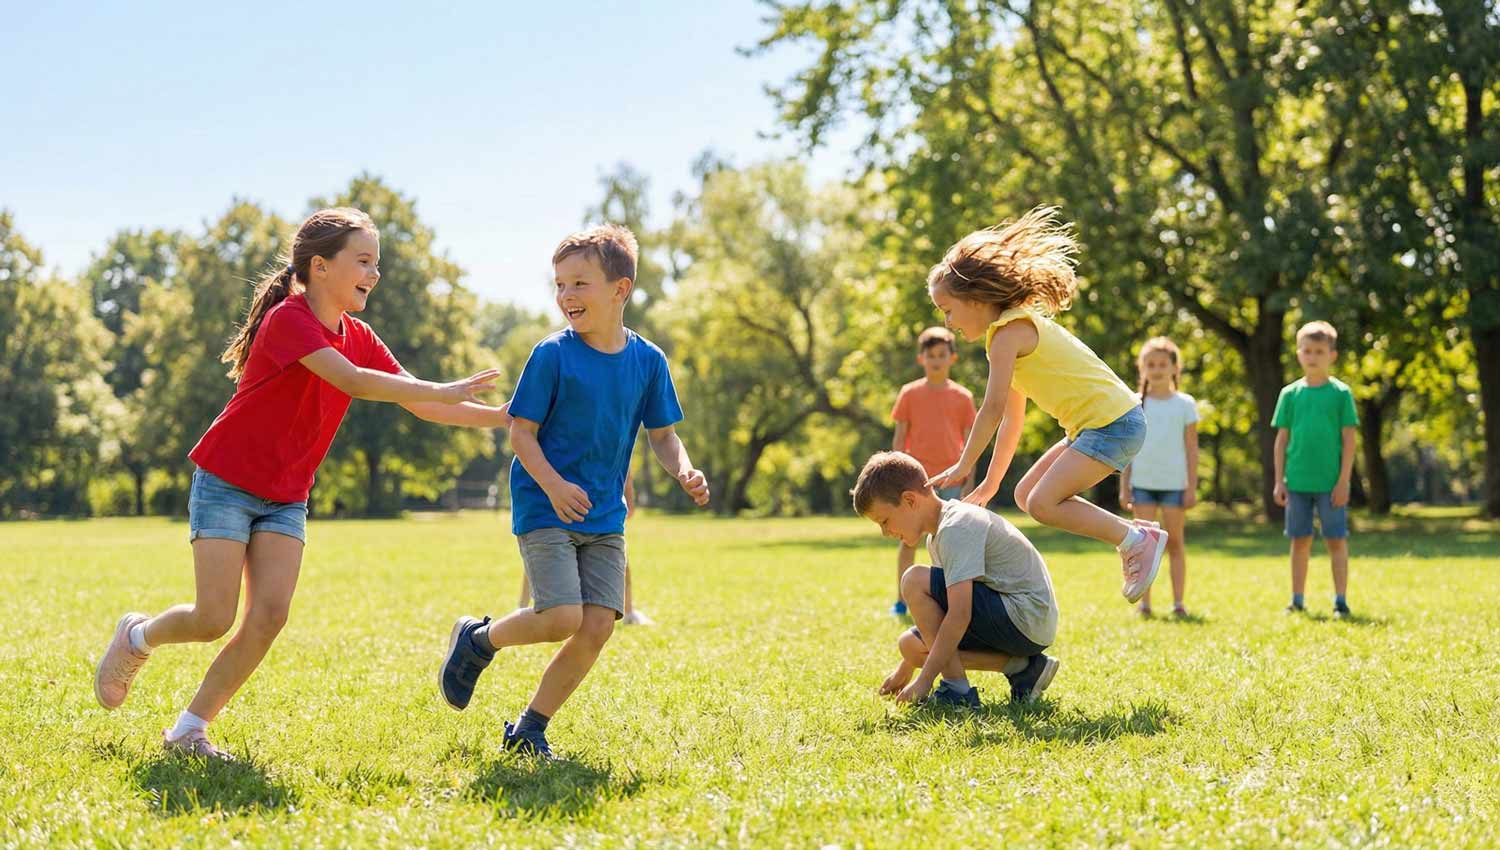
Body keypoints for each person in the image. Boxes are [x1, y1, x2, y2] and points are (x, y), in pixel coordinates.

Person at [93, 208, 510, 758]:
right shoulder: (289, 320)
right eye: (363, 261)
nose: (375, 273)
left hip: (286, 496)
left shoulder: (358, 335)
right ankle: (137, 638)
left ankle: (188, 730)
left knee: (268, 616)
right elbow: (353, 381)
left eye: (376, 263)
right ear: (320, 266)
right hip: (228, 481)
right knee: (212, 617)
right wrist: (449, 386)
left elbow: (419, 402)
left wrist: (505, 415)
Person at [438, 225, 709, 758]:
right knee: (560, 616)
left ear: (620, 289)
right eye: (559, 285)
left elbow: (664, 435)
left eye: (579, 284)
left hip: (606, 514)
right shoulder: (552, 355)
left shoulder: (648, 361)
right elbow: (521, 432)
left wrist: (684, 470)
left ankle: (530, 727)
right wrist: (556, 486)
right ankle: (477, 639)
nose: (566, 296)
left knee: (596, 626)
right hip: (545, 503)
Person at [925, 206, 1167, 603]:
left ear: (976, 298)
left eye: (948, 310)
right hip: (1098, 425)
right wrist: (989, 483)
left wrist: (965, 465)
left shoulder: (1009, 334)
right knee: (1026, 494)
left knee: (1042, 503)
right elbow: (1012, 420)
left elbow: (992, 409)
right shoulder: (1005, 337)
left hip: (1113, 424)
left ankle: (1135, 538)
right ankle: (1137, 535)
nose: (948, 322)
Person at [854, 451, 1060, 707]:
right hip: (1019, 622)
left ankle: (957, 691)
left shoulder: (956, 528)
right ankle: (1025, 669)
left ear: (909, 500)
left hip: (1025, 616)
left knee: (913, 579)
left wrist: (924, 681)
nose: (885, 532)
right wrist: (906, 669)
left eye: (885, 521)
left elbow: (959, 614)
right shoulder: (938, 536)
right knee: (911, 646)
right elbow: (939, 611)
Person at [887, 326, 976, 616]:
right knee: (909, 539)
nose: (936, 360)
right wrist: (894, 479)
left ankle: (946, 599)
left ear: (953, 358)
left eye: (942, 355)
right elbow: (899, 440)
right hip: (916, 482)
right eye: (931, 355)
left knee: (949, 543)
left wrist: (969, 483)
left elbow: (970, 443)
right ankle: (902, 600)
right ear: (920, 358)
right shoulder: (909, 394)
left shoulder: (963, 397)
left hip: (952, 478)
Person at [1273, 321, 1358, 618]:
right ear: (1298, 354)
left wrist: (1344, 481)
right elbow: (1281, 440)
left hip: (1331, 484)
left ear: (1332, 355)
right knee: (1300, 541)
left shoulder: (1341, 394)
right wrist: (1279, 481)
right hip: (1296, 482)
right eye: (1307, 350)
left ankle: (1340, 601)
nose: (1312, 357)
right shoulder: (1290, 394)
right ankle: (1297, 599)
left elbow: (1349, 440)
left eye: (1319, 351)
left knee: (1336, 540)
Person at [1119, 337, 1199, 617]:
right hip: (1142, 485)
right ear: (1142, 369)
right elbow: (1127, 447)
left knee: (1175, 543)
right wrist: (1124, 485)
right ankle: (1145, 604)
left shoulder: (1185, 404)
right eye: (1150, 364)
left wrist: (1192, 485)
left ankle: (1178, 603)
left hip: (1174, 486)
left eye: (1162, 364)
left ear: (1175, 368)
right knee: (1142, 548)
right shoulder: (1135, 403)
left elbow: (1191, 448)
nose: (1156, 369)